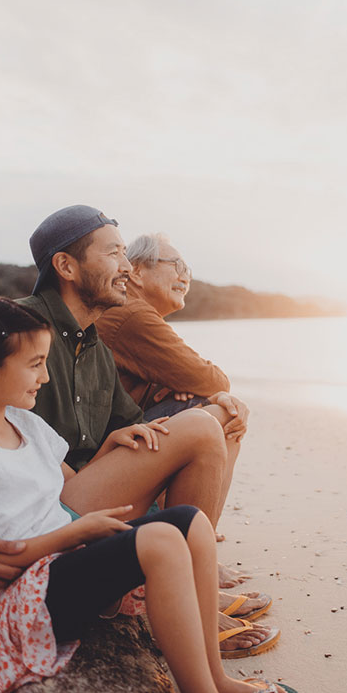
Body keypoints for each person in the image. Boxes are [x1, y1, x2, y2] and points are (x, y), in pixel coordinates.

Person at [0, 205, 272, 654]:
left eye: (127, 254)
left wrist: (200, 403)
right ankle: (185, 604)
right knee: (201, 430)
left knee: (212, 420)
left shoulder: (95, 344)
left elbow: (132, 426)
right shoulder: (14, 327)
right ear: (66, 267)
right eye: (114, 254)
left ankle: (184, 589)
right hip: (41, 513)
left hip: (78, 492)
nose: (127, 267)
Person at [0, 295, 296, 693]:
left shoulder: (24, 422)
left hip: (55, 566)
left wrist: (109, 449)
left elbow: (59, 487)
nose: (44, 378)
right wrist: (77, 532)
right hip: (7, 603)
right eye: (34, 365)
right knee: (162, 542)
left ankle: (219, 680)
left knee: (190, 523)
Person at [96, 233, 249, 549]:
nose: (184, 276)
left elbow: (192, 378)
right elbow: (214, 379)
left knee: (202, 403)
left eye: (189, 270)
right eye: (176, 265)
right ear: (136, 271)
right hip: (104, 457)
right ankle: (199, 549)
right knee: (226, 415)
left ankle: (192, 525)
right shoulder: (132, 313)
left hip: (112, 440)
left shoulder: (133, 313)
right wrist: (196, 389)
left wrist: (179, 387)